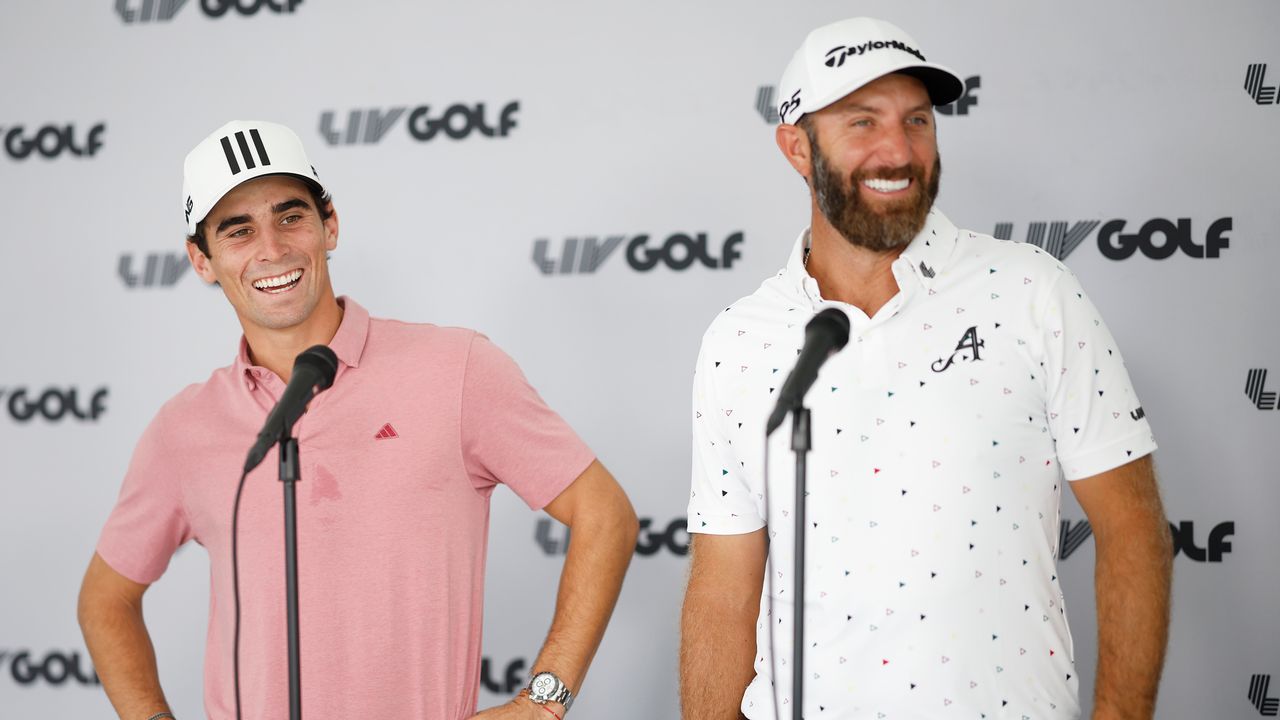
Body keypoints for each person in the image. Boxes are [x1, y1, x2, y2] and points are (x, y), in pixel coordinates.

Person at [679, 17, 1172, 720]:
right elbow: (723, 588)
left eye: (918, 120)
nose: (899, 149)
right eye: (862, 122)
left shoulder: (1033, 291)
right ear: (796, 146)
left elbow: (1132, 530)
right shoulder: (739, 339)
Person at [77, 120, 639, 720]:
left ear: (330, 226)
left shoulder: (457, 368)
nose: (272, 249)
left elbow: (605, 513)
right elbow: (105, 600)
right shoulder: (186, 427)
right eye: (237, 231)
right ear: (202, 260)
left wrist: (542, 703)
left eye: (290, 217)